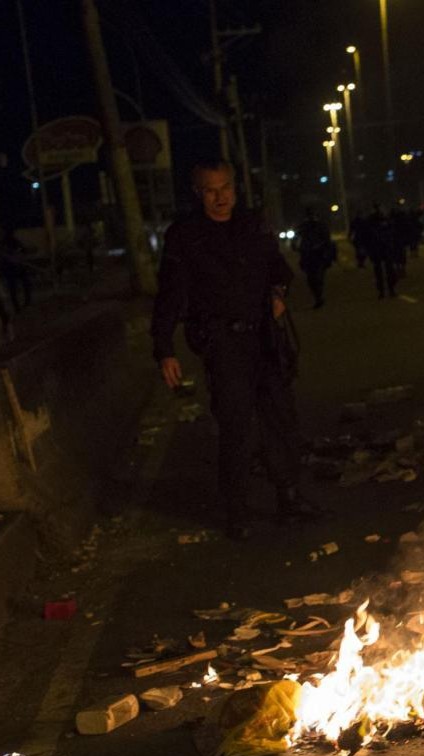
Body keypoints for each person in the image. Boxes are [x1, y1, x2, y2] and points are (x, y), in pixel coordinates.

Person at [151, 161, 325, 539]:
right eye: (211, 191)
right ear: (198, 194)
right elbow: (170, 295)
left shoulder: (253, 225)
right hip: (224, 344)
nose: (220, 197)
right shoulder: (185, 236)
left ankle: (289, 496)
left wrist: (278, 293)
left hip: (264, 337)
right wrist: (164, 348)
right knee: (236, 426)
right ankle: (237, 510)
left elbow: (279, 270)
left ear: (235, 188)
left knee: (280, 417)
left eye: (226, 188)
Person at [292, 208, 336, 308]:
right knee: (311, 278)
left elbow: (327, 240)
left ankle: (318, 297)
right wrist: (295, 245)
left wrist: (323, 249)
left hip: (318, 254)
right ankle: (318, 296)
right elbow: (295, 236)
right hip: (308, 254)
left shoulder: (320, 226)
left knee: (318, 276)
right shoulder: (304, 226)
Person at [362, 204, 400, 299]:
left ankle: (386, 290)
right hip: (379, 249)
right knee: (382, 271)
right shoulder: (373, 221)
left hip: (383, 248)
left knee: (386, 270)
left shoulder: (383, 220)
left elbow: (392, 233)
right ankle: (385, 291)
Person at [0, 232, 34, 315]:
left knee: (24, 285)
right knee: (13, 288)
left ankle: (25, 303)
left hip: (18, 267)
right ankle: (18, 306)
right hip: (10, 268)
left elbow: (24, 250)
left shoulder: (14, 241)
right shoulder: (3, 243)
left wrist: (18, 254)